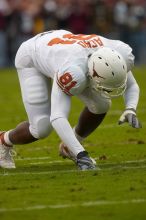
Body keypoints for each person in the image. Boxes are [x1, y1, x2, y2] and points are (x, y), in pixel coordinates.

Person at [0, 29, 141, 170]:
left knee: (101, 104)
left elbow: (131, 84)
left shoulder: (113, 54)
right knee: (41, 127)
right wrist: (82, 155)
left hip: (62, 47)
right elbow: (58, 116)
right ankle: (3, 140)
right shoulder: (73, 71)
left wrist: (130, 108)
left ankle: (69, 147)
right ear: (93, 72)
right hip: (32, 56)